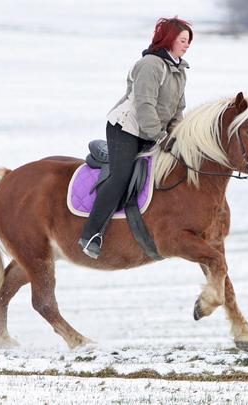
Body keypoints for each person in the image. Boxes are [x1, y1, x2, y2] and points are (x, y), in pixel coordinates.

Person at [78, 17, 193, 259]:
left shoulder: (180, 70)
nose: (187, 45)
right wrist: (160, 137)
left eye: (189, 41)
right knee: (122, 176)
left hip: (152, 131)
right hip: (126, 128)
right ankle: (91, 235)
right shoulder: (151, 65)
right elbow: (144, 105)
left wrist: (177, 136)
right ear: (170, 39)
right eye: (183, 40)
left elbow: (177, 109)